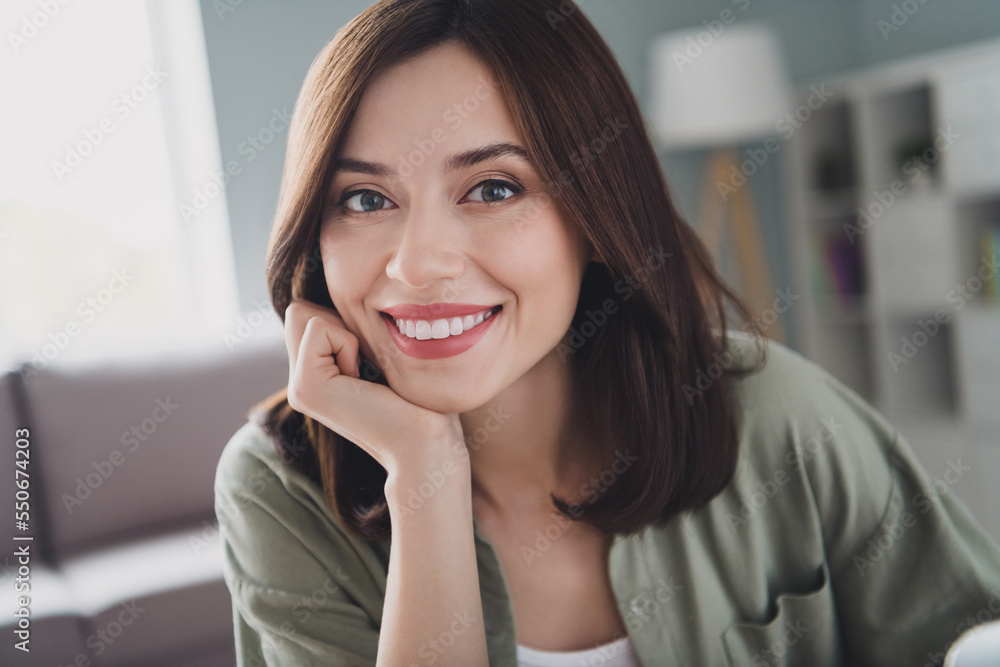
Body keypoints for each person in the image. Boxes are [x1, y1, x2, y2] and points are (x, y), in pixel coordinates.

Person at [214, 0, 1000, 665]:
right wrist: (426, 477)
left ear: (595, 217)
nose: (417, 264)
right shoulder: (278, 493)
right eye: (362, 199)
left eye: (492, 187)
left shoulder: (775, 419)